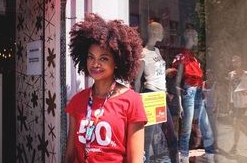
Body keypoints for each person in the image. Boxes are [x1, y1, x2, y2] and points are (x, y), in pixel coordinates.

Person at [64, 13, 147, 163]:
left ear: (116, 62)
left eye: (103, 58)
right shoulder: (77, 101)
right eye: (91, 57)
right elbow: (70, 154)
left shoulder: (132, 101)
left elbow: (135, 160)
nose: (95, 64)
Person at [134, 21, 177, 163]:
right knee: (148, 138)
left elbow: (156, 74)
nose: (163, 33)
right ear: (153, 32)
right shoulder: (143, 54)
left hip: (161, 96)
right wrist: (136, 101)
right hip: (150, 95)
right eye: (161, 30)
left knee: (171, 134)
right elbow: (138, 80)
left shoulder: (157, 51)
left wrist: (166, 72)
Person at [172, 27, 215, 163]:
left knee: (205, 126)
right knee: (186, 127)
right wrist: (180, 105)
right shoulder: (183, 58)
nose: (197, 39)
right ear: (189, 37)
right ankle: (183, 156)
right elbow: (178, 83)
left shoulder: (194, 59)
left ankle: (210, 154)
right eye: (195, 37)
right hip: (189, 93)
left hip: (198, 93)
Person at [228, 55, 247, 154]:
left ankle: (234, 147)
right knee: (237, 124)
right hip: (235, 104)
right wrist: (229, 104)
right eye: (233, 62)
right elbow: (230, 90)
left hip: (244, 103)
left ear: (241, 62)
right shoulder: (230, 74)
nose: (235, 63)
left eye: (237, 61)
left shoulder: (246, 74)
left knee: (237, 123)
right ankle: (235, 147)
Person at [202, 69, 218, 148]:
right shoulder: (203, 83)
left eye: (209, 74)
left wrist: (215, 106)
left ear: (212, 75)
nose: (207, 75)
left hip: (212, 107)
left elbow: (217, 96)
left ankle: (215, 143)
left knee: (213, 125)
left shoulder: (216, 84)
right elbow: (201, 95)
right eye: (206, 74)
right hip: (204, 107)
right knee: (205, 125)